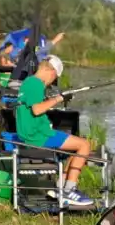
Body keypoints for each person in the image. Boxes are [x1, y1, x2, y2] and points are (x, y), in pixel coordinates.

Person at [13, 53, 94, 208]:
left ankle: (61, 188)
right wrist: (58, 99)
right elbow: (37, 110)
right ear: (51, 72)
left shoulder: (28, 83)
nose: (52, 82)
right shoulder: (36, 84)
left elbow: (34, 108)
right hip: (38, 136)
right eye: (55, 78)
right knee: (84, 145)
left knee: (73, 149)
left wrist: (55, 98)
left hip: (32, 134)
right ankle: (70, 190)